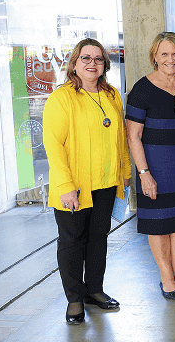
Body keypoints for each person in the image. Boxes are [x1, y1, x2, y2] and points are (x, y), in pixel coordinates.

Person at [43, 38, 132, 325]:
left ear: (105, 64)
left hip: (106, 182)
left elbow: (121, 137)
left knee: (98, 239)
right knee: (72, 242)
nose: (92, 63)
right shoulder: (62, 98)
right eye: (86, 58)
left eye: (98, 59)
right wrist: (65, 186)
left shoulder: (112, 94)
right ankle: (74, 299)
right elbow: (53, 146)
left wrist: (125, 171)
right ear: (75, 63)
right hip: (75, 186)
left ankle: (94, 290)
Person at [126, 32, 175, 301]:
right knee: (159, 223)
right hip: (156, 166)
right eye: (164, 54)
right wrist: (144, 174)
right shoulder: (142, 89)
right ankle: (166, 277)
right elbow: (133, 136)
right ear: (155, 57)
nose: (170, 59)